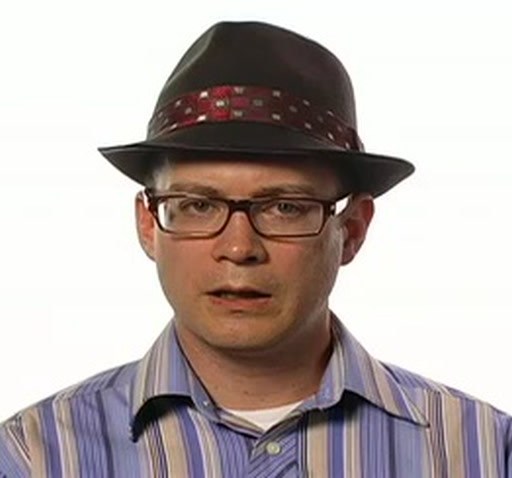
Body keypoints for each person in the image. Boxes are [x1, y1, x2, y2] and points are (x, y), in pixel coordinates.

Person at [0, 20, 510, 478]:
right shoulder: (35, 456)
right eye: (197, 205)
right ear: (148, 225)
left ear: (352, 230)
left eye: (285, 207)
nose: (239, 247)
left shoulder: (484, 452)